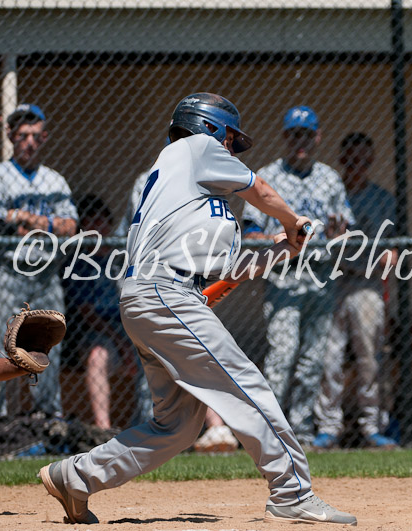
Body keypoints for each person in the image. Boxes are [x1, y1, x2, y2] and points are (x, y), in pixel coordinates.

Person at [38, 92, 356, 526]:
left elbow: (231, 270)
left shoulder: (186, 189)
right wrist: (292, 220)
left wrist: (284, 248)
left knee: (177, 427)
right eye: (230, 139)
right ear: (209, 127)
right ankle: (292, 492)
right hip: (165, 294)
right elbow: (262, 189)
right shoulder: (195, 148)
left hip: (152, 299)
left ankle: (75, 476)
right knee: (247, 386)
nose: (231, 149)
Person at [242, 105, 354, 446]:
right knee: (283, 354)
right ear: (285, 137)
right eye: (294, 135)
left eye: (307, 135)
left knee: (313, 360)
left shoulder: (329, 178)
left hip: (320, 275)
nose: (300, 141)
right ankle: (272, 433)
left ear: (317, 137)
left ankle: (302, 431)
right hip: (283, 275)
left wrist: (338, 233)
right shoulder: (268, 175)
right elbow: (250, 232)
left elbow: (344, 230)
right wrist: (281, 239)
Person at [119, 170, 236, 451]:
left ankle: (206, 428)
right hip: (152, 282)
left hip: (181, 284)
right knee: (171, 363)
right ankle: (163, 432)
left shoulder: (202, 178)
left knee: (194, 356)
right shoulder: (156, 179)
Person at [0, 103, 78, 417]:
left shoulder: (54, 180)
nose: (28, 142)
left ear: (44, 137)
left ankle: (47, 420)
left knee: (48, 348)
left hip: (46, 271)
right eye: (21, 135)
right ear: (11, 137)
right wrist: (42, 222)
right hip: (7, 271)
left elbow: (70, 226)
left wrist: (25, 219)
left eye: (34, 135)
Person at [313, 132, 399, 449]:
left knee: (369, 358)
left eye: (364, 159)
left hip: (367, 281)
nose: (357, 165)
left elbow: (392, 250)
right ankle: (329, 427)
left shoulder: (383, 200)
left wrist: (388, 257)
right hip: (332, 280)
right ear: (341, 160)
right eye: (351, 158)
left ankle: (372, 427)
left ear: (371, 161)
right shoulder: (331, 197)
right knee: (329, 356)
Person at [63, 194, 146, 431]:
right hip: (97, 332)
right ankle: (104, 430)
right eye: (90, 223)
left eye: (101, 222)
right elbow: (88, 315)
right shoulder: (79, 264)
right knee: (98, 357)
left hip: (131, 327)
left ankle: (147, 424)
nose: (96, 229)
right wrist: (121, 343)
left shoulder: (122, 258)